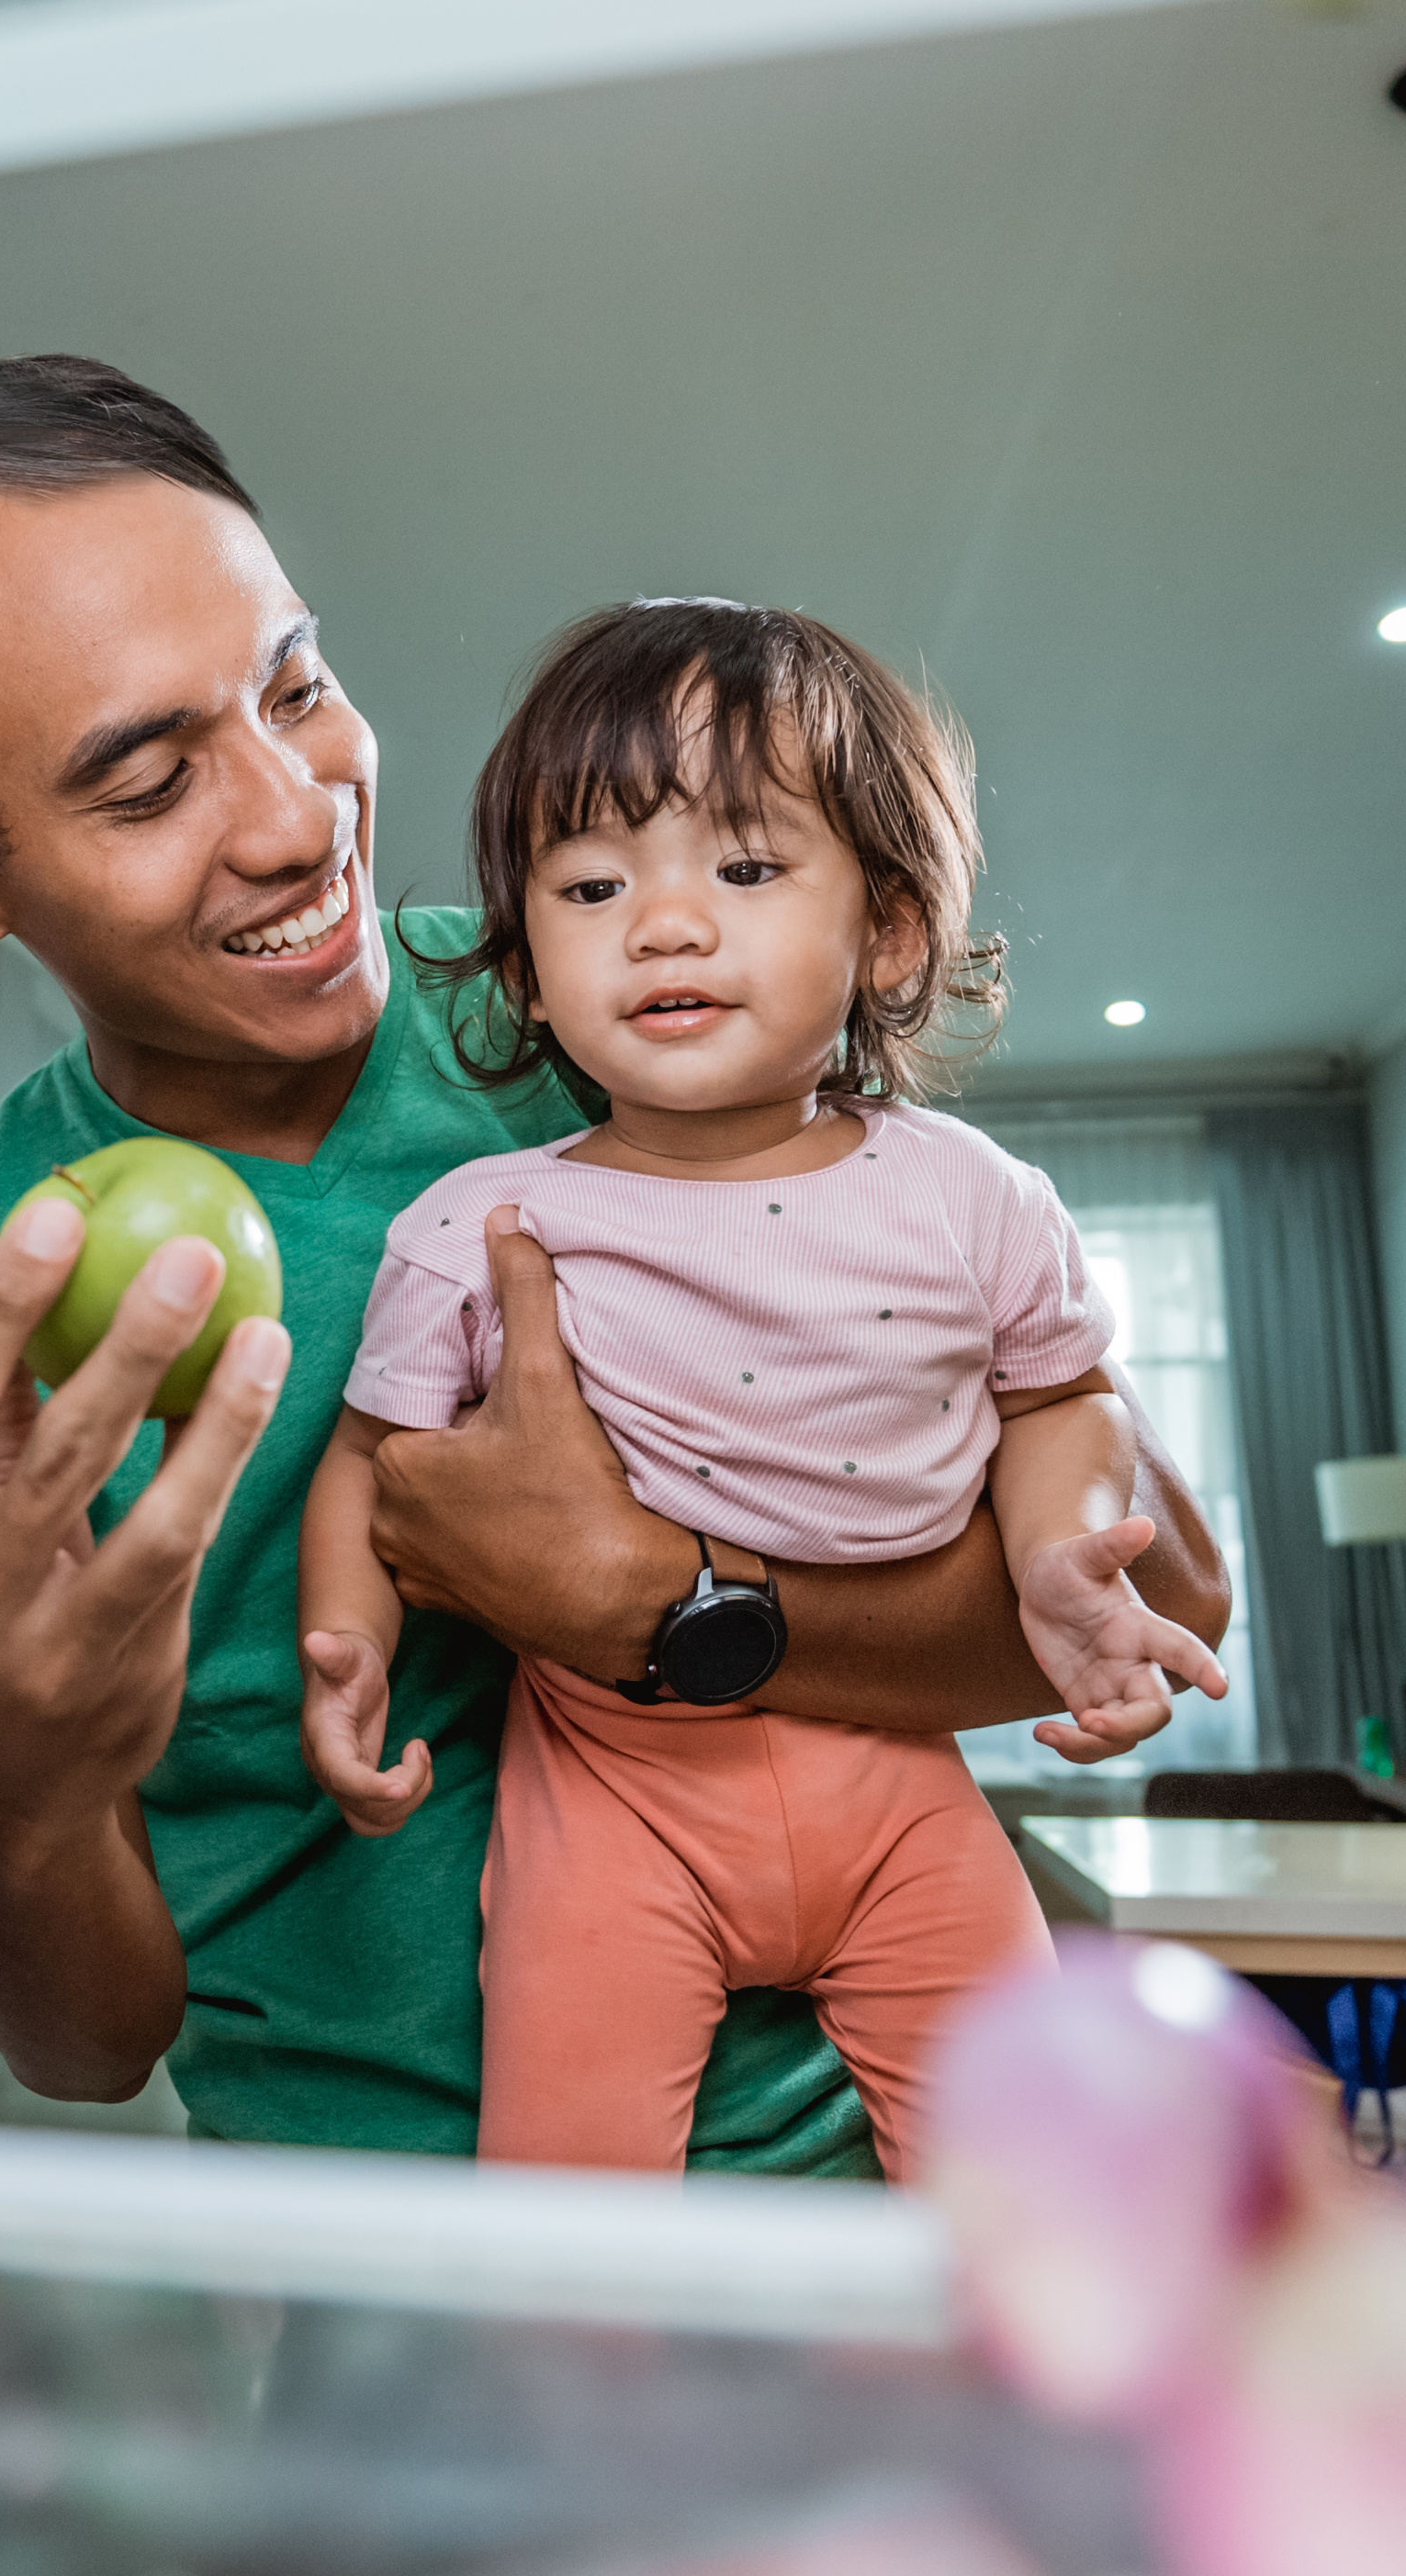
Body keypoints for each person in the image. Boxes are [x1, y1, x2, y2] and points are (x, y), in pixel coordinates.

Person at [0, 354, 1229, 2171]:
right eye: (149, 784)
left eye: (294, 688)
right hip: (393, 2315)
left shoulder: (613, 1001)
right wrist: (15, 1786)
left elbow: (1166, 1586)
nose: (295, 817)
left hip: (865, 2196)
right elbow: (77, 2048)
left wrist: (656, 1604)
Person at [294, 599, 1228, 2178]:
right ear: (525, 974)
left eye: (742, 868)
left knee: (1033, 2198)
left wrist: (1069, 1560)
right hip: (611, 1796)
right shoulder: (480, 1223)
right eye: (591, 887)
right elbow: (371, 1461)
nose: (661, 926)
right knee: (571, 2216)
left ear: (890, 935)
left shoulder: (975, 1198)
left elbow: (1057, 1407)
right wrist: (346, 1649)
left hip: (906, 1796)